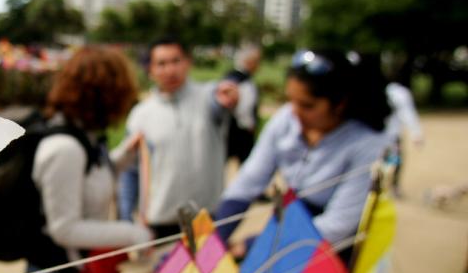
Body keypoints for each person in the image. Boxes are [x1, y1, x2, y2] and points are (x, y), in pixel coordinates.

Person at [214, 49, 391, 260]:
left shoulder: (367, 143)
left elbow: (338, 225)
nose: (295, 112)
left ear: (340, 104)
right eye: (290, 100)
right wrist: (215, 240)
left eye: (307, 105)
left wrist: (255, 244)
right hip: (290, 229)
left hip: (329, 254)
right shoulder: (286, 119)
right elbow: (249, 180)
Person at [27, 47, 153, 273]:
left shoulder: (84, 137)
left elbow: (90, 181)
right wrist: (133, 234)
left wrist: (124, 156)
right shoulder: (65, 148)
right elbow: (64, 228)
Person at [112, 37, 238, 238]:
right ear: (150, 69)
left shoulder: (208, 98)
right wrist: (126, 219)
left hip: (207, 219)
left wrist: (227, 98)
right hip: (161, 223)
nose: (170, 70)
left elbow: (221, 104)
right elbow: (131, 171)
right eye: (161, 64)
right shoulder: (141, 115)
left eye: (176, 61)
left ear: (188, 62)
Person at [224, 45, 262, 163]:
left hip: (228, 127)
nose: (258, 66)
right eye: (256, 62)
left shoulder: (230, 76)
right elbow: (244, 107)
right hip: (240, 130)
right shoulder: (243, 81)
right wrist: (249, 125)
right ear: (249, 62)